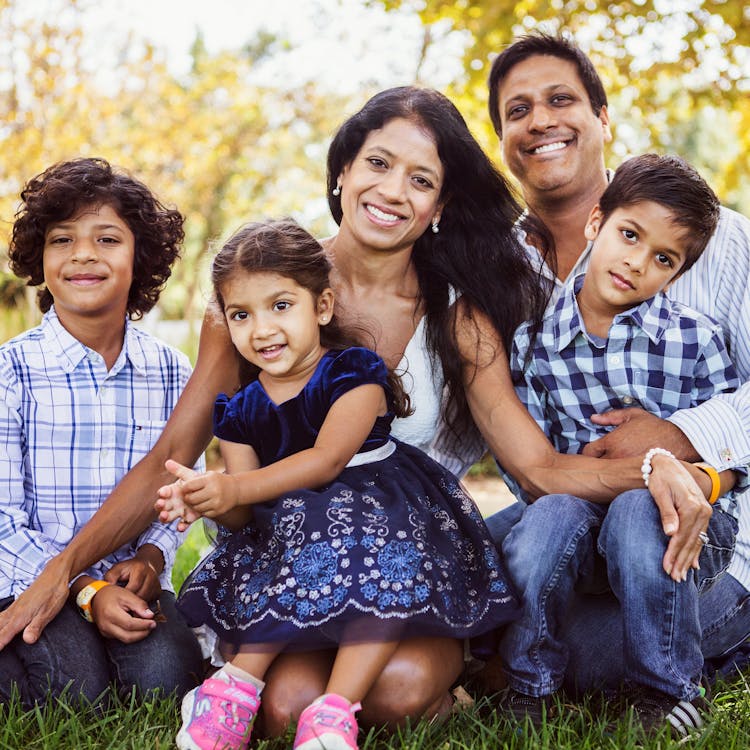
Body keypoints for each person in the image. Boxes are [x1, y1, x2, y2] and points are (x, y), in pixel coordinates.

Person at [0, 87, 719, 734]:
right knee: (284, 709)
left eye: (421, 180)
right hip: (282, 558)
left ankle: (448, 681)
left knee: (399, 693)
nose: (392, 191)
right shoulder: (257, 296)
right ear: (342, 171)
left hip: (408, 568)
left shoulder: (459, 319)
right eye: (377, 163)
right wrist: (63, 571)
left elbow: (536, 468)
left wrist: (661, 467)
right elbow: (176, 455)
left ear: (438, 209)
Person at [158, 218, 518, 750]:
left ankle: (334, 710)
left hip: (380, 518)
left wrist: (239, 489)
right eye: (241, 314)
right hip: (294, 543)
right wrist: (211, 499)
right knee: (279, 550)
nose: (262, 329)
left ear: (321, 307)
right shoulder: (237, 411)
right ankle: (236, 688)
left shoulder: (355, 374)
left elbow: (327, 461)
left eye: (281, 306)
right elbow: (242, 508)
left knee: (376, 565)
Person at [484, 31, 750, 726]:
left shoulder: (715, 244)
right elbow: (528, 457)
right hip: (574, 519)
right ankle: (525, 683)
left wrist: (685, 445)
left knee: (605, 621)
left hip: (693, 533)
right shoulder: (512, 287)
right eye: (519, 110)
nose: (540, 120)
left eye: (561, 100)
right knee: (475, 581)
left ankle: (671, 688)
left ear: (604, 120)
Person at [0, 158, 203, 707]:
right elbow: (2, 520)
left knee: (168, 682)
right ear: (40, 260)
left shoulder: (173, 373)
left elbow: (184, 488)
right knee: (75, 692)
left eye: (107, 239)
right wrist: (86, 592)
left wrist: (153, 560)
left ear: (142, 257)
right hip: (26, 575)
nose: (83, 254)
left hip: (127, 582)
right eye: (62, 240)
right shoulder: (11, 372)